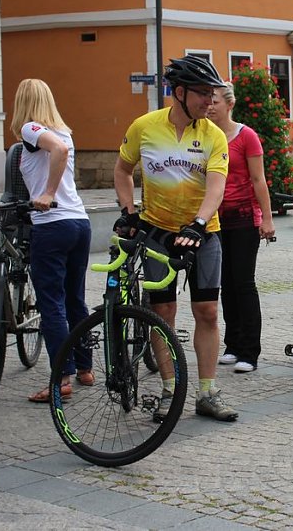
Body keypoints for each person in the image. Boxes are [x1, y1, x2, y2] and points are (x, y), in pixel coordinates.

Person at [114, 54, 238, 422]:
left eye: (214, 95)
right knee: (162, 313)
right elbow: (122, 170)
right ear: (179, 93)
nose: (211, 101)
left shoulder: (213, 135)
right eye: (203, 93)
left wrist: (198, 224)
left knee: (208, 311)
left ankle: (206, 391)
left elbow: (217, 186)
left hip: (202, 234)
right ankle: (170, 390)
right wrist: (128, 213)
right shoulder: (144, 127)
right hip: (157, 232)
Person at [9, 78, 93, 402]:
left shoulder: (32, 129)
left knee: (52, 304)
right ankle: (85, 367)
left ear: (23, 102)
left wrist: (46, 192)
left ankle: (62, 377)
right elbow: (61, 148)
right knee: (75, 299)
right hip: (79, 222)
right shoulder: (63, 130)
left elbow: (58, 152)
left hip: (52, 224)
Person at [207, 81, 275, 373]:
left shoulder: (246, 136)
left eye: (215, 101)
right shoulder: (206, 136)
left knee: (244, 283)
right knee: (225, 284)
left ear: (229, 105)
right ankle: (232, 345)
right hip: (214, 219)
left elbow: (259, 180)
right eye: (207, 101)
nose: (210, 106)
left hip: (244, 217)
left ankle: (250, 351)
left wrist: (268, 219)